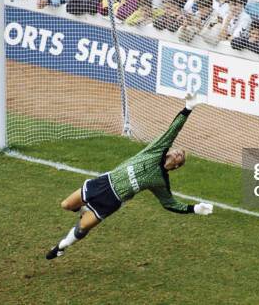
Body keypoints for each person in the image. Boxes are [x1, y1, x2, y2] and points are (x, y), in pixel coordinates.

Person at [45, 92, 213, 260]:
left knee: (82, 228)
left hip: (112, 201)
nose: (177, 153)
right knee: (66, 204)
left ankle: (60, 247)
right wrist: (188, 108)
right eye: (176, 151)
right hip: (104, 183)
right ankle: (83, 209)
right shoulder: (156, 150)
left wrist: (195, 209)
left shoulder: (160, 181)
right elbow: (173, 129)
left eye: (180, 157)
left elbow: (170, 204)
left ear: (177, 166)